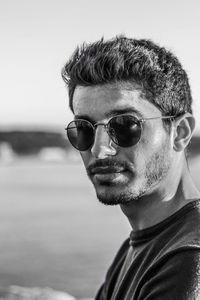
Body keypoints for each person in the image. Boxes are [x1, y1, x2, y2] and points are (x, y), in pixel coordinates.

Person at [61, 36, 200, 299]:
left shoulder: (189, 259)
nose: (99, 150)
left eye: (125, 126)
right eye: (84, 129)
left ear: (180, 132)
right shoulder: (139, 245)